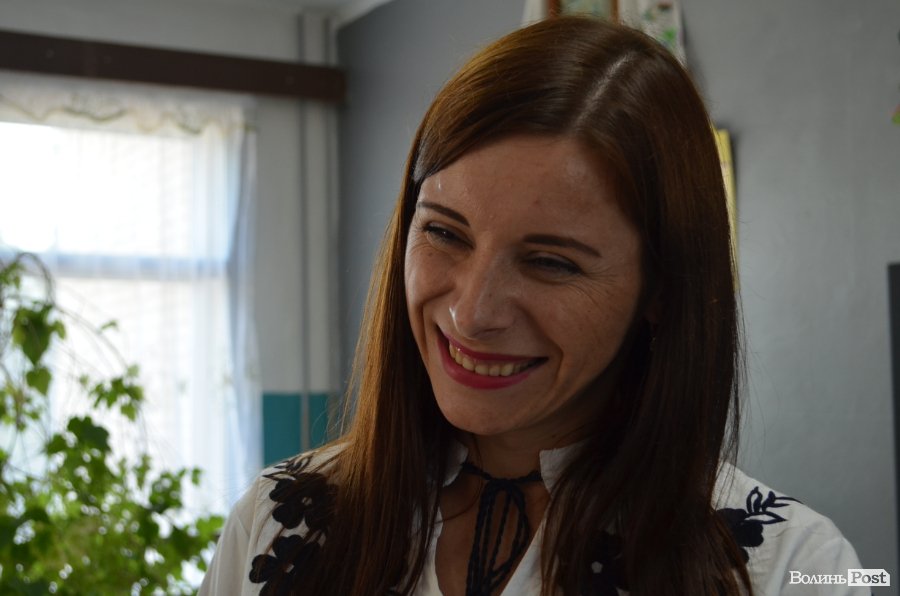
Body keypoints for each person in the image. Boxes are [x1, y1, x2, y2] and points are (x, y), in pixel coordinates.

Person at [200, 16, 865, 596]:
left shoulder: (791, 567)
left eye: (551, 262)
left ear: (661, 290)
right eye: (445, 233)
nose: (472, 312)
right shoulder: (278, 520)